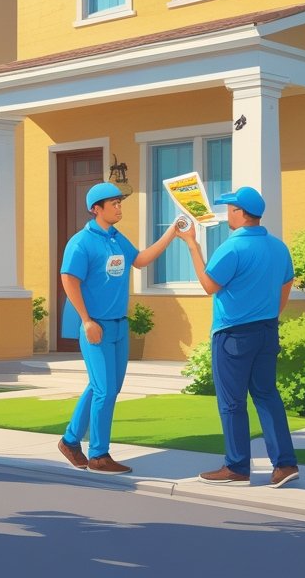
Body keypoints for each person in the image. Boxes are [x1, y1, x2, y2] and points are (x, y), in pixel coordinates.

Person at [175, 185, 300, 488]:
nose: (227, 213)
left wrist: (191, 244)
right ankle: (285, 465)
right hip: (267, 331)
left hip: (233, 336)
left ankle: (236, 467)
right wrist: (268, 315)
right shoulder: (278, 247)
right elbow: (285, 287)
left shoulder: (232, 248)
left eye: (230, 208)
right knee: (267, 396)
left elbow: (209, 285)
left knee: (232, 402)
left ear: (241, 213)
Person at [57, 182, 178, 475]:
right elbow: (68, 279)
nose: (119, 207)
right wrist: (86, 320)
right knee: (105, 390)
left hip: (120, 327)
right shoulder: (81, 242)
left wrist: (172, 232)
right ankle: (98, 455)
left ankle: (70, 441)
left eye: (119, 202)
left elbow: (141, 260)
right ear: (96, 208)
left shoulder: (116, 239)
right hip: (96, 327)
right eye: (114, 203)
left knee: (105, 387)